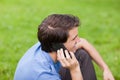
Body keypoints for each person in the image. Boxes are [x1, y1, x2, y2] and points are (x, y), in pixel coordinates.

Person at [14, 14, 114, 80]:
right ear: (58, 45)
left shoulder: (48, 42)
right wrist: (75, 69)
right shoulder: (43, 75)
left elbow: (83, 43)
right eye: (74, 38)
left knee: (81, 54)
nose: (78, 40)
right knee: (77, 58)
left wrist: (105, 69)